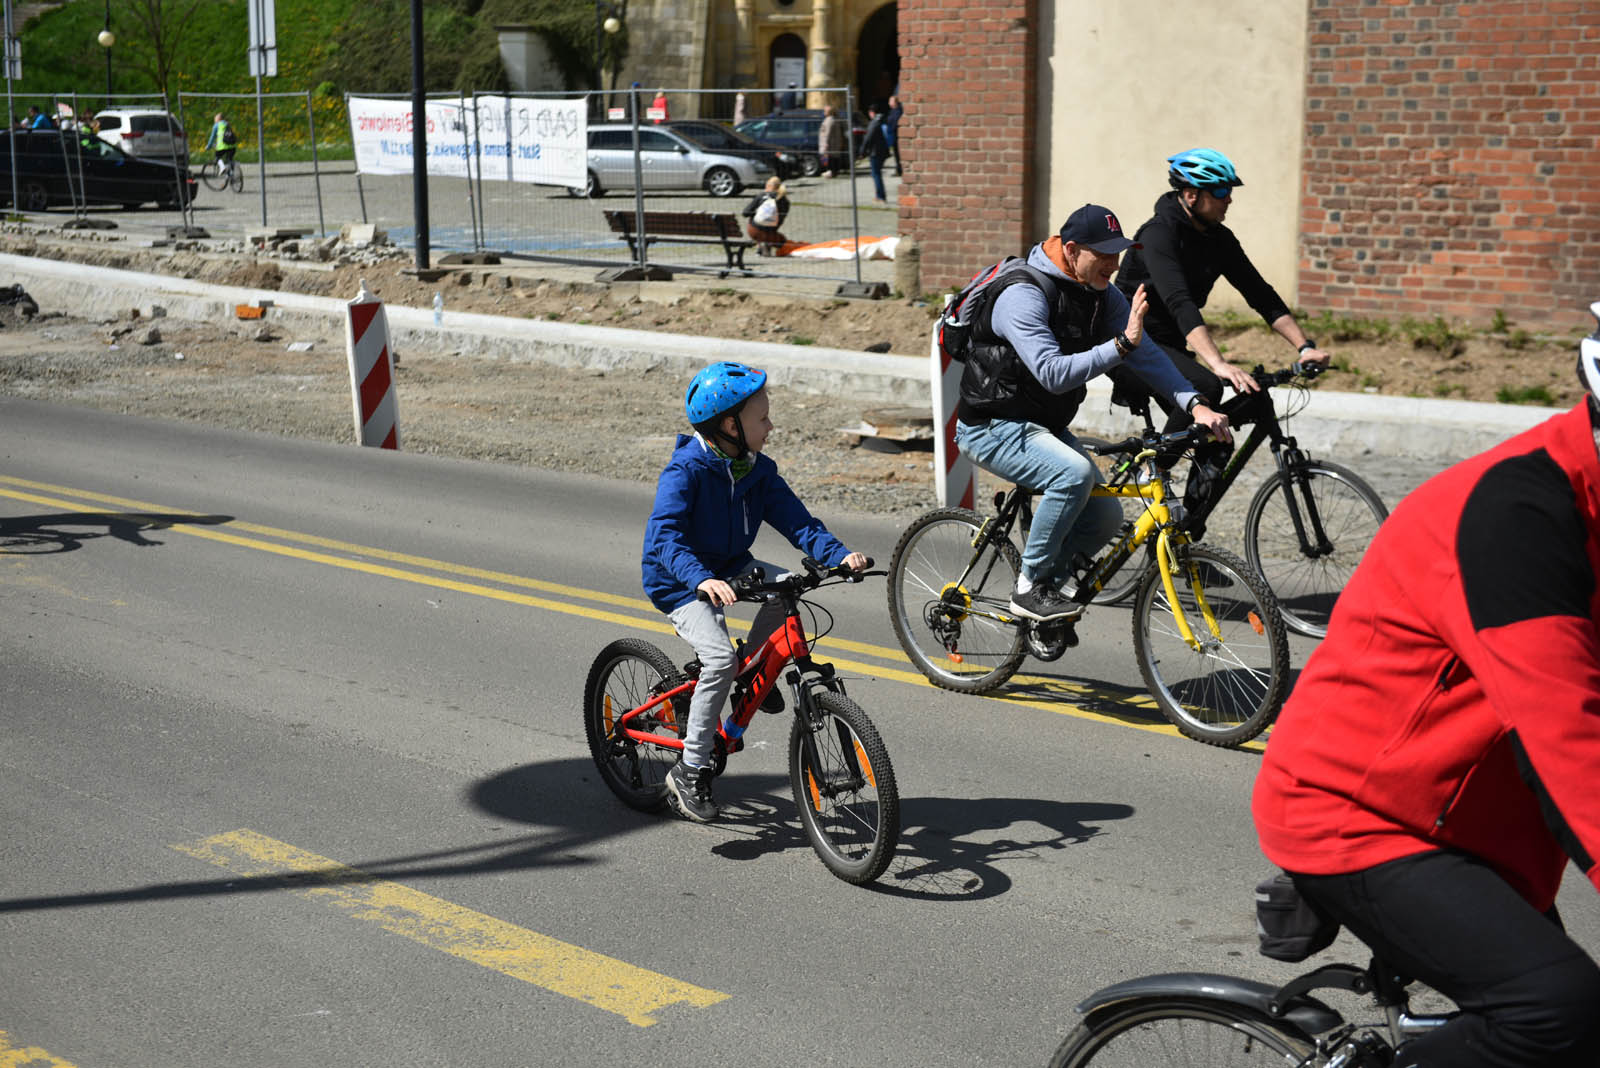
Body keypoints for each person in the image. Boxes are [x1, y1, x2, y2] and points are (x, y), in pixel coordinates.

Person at [1251, 304, 1600, 1068]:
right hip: (1359, 813)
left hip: (1478, 823)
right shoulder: (1519, 516)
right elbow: (1570, 735)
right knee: (1557, 1010)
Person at [954, 204, 1231, 623]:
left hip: (1042, 424)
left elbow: (1149, 356)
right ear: (1070, 250)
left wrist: (1196, 405)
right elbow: (1052, 373)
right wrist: (1119, 346)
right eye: (1102, 255)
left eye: (1117, 253)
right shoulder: (1023, 294)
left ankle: (1050, 592)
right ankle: (1029, 588)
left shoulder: (1101, 294)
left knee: (1104, 517)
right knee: (1073, 475)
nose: (1113, 264)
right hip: (992, 424)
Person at [641, 361, 869, 822]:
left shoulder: (755, 471)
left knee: (788, 587)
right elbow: (665, 536)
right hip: (680, 580)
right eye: (761, 418)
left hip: (732, 568)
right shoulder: (686, 471)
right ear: (730, 425)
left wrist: (838, 555)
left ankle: (755, 674)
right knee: (720, 660)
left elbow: (797, 521)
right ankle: (689, 769)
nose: (771, 425)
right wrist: (700, 579)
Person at [1111, 148, 1331, 520]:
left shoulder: (1218, 238)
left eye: (1230, 191)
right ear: (1192, 195)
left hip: (1172, 346)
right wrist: (1218, 363)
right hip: (1131, 343)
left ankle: (1188, 536)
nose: (1229, 199)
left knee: (1217, 437)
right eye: (1220, 191)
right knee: (1208, 387)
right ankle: (1153, 470)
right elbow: (1180, 302)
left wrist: (1305, 346)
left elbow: (1261, 295)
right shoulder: (1158, 235)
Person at [741, 175, 790, 254]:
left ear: (768, 185)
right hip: (770, 234)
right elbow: (780, 221)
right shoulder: (785, 201)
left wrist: (757, 214)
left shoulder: (761, 196)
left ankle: (761, 244)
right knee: (782, 240)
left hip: (754, 231)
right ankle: (766, 244)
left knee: (755, 221)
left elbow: (745, 213)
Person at [861, 102, 891, 203]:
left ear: (872, 112)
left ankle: (880, 196)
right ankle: (880, 195)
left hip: (875, 152)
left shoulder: (874, 122)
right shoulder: (882, 120)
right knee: (877, 174)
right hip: (882, 151)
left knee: (876, 174)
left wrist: (862, 151)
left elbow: (868, 138)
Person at [818, 104, 847, 178]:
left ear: (829, 112)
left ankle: (830, 172)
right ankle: (833, 172)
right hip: (833, 145)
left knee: (829, 159)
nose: (823, 112)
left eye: (825, 110)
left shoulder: (829, 120)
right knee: (833, 158)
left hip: (829, 145)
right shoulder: (835, 119)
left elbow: (827, 133)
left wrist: (826, 144)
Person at [886, 95, 903, 177]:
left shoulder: (898, 111)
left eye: (890, 101)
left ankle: (899, 170)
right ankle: (898, 170)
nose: (889, 103)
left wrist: (891, 130)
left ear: (895, 102)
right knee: (896, 154)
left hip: (896, 136)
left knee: (898, 154)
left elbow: (895, 123)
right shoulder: (893, 111)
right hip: (892, 135)